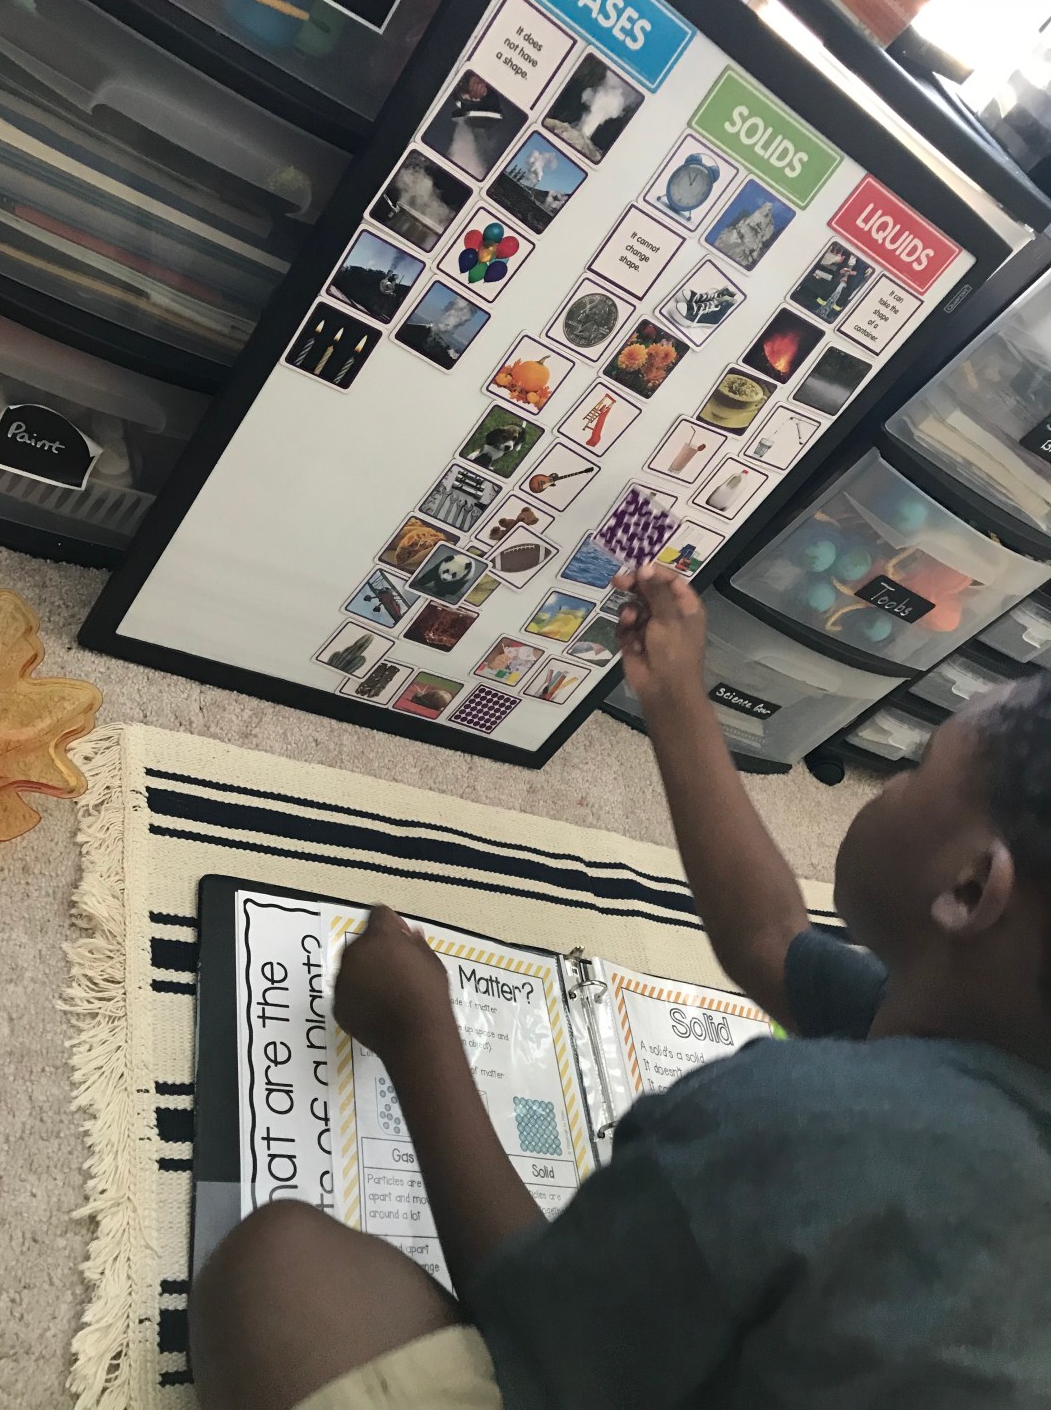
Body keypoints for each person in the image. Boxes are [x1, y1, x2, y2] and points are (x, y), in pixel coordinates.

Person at [190, 566, 1051, 1410]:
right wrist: (675, 695)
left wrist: (417, 1034)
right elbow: (768, 938)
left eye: (918, 766)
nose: (893, 779)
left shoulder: (801, 1126)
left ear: (971, 889)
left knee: (281, 1270)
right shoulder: (995, 1029)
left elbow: (541, 1330)